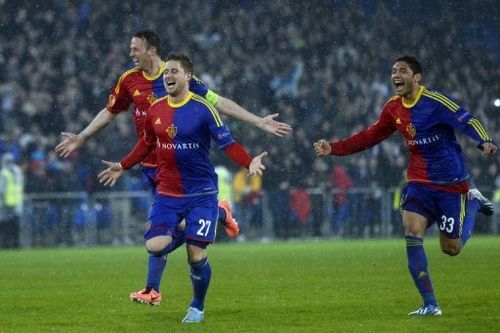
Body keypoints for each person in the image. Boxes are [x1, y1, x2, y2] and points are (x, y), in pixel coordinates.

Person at [55, 28, 290, 305]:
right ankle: (218, 214)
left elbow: (217, 101)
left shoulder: (177, 75)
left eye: (135, 48)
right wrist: (83, 136)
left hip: (179, 167)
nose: (131, 53)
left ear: (151, 50)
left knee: (168, 231)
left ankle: (154, 287)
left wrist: (257, 121)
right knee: (162, 232)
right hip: (150, 166)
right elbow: (110, 111)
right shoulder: (129, 81)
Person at [314, 55, 497, 316]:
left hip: (450, 184)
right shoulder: (392, 108)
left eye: (402, 70)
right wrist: (334, 148)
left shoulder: (435, 102)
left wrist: (483, 140)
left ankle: (474, 201)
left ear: (416, 77)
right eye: (393, 71)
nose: (395, 75)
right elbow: (369, 137)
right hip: (419, 184)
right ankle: (430, 304)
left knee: (451, 249)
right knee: (411, 233)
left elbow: (466, 119)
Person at [98, 53, 267, 323]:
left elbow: (228, 144)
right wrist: (123, 164)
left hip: (200, 193)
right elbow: (146, 145)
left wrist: (249, 163)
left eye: (174, 72)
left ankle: (197, 307)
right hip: (167, 192)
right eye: (166, 73)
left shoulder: (203, 109)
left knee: (194, 253)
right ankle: (221, 214)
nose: (168, 76)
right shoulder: (155, 109)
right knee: (155, 246)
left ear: (188, 76)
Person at [0, 153, 24, 249]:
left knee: (7, 225)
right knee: (13, 225)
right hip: (13, 202)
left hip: (8, 202)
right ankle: (14, 244)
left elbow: (1, 189)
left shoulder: (4, 172)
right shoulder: (17, 171)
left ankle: (8, 244)